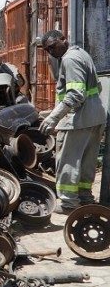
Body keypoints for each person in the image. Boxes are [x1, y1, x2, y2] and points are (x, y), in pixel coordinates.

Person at [38, 30, 106, 213]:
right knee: (87, 161)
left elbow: (76, 94)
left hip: (79, 119)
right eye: (47, 49)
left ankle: (68, 203)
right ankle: (85, 198)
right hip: (95, 116)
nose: (51, 52)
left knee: (68, 161)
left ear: (63, 40)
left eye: (53, 46)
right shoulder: (81, 54)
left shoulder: (69, 59)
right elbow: (97, 87)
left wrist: (54, 117)